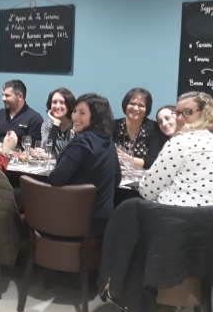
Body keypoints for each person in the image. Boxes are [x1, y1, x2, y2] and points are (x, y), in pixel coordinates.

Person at [139, 92, 213, 230]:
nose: (180, 118)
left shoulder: (181, 142)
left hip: (183, 228)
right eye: (177, 113)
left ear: (207, 113)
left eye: (188, 112)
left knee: (130, 209)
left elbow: (148, 191)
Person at [48, 94, 121, 235]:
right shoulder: (107, 139)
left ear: (95, 116)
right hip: (102, 220)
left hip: (76, 221)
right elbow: (117, 177)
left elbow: (55, 179)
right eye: (74, 111)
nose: (75, 117)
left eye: (82, 113)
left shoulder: (84, 141)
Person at [0, 79, 44, 146]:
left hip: (20, 152)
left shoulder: (34, 118)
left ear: (20, 96)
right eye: (3, 95)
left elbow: (33, 147)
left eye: (7, 95)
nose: (3, 99)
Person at [113, 88, 163, 170]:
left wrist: (130, 160)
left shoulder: (155, 128)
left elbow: (156, 161)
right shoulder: (113, 126)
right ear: (125, 105)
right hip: (115, 174)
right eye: (132, 103)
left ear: (147, 109)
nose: (136, 108)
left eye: (141, 105)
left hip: (143, 176)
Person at [40, 88, 76, 159]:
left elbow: (74, 155)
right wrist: (56, 124)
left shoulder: (76, 126)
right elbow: (47, 151)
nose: (57, 106)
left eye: (62, 102)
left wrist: (53, 156)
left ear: (69, 105)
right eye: (54, 102)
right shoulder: (47, 125)